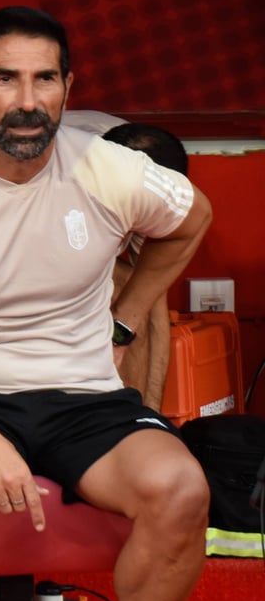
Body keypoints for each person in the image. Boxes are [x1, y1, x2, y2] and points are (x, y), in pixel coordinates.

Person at [0, 6, 212, 601]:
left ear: (67, 87)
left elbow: (193, 218)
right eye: (6, 79)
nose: (28, 101)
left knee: (181, 487)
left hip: (86, 398)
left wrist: (126, 319)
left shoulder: (109, 169)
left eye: (45, 79)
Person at [103, 122, 190, 411]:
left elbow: (152, 298)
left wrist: (152, 414)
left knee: (135, 296)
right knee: (118, 288)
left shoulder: (159, 195)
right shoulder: (77, 189)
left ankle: (136, 420)